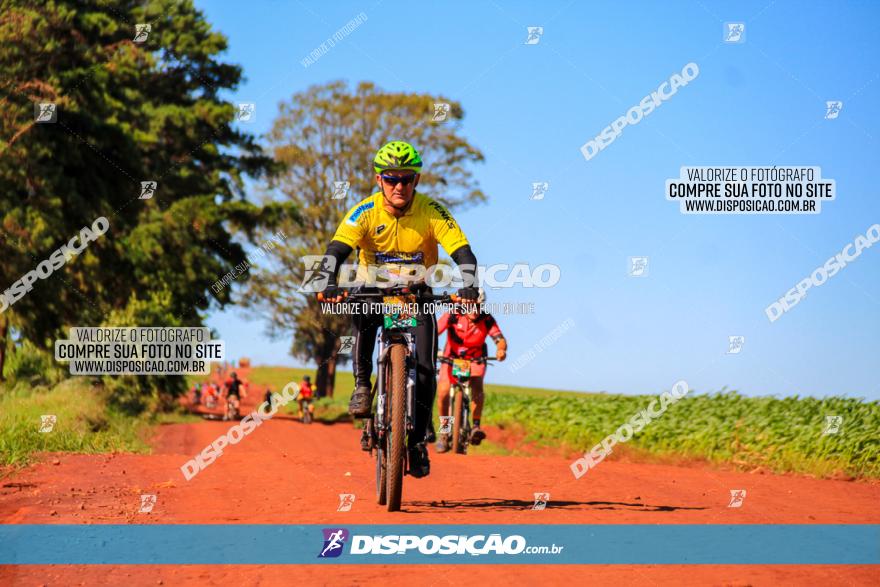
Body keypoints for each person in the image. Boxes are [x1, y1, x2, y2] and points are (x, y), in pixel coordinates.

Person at [315, 140, 481, 478]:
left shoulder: (432, 211)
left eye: (406, 179)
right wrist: (327, 282)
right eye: (391, 179)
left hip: (416, 294)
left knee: (424, 369)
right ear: (379, 180)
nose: (399, 186)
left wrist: (470, 286)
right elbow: (336, 250)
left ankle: (417, 440)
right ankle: (363, 385)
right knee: (363, 314)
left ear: (416, 180)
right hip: (374, 290)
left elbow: (463, 252)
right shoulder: (364, 212)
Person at [435, 294, 507, 453]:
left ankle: (475, 426)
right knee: (443, 392)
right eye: (472, 305)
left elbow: (499, 338)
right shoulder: (453, 314)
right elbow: (435, 331)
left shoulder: (487, 319)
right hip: (451, 357)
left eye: (478, 306)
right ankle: (445, 432)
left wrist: (501, 349)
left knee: (477, 388)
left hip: (476, 358)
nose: (475, 310)